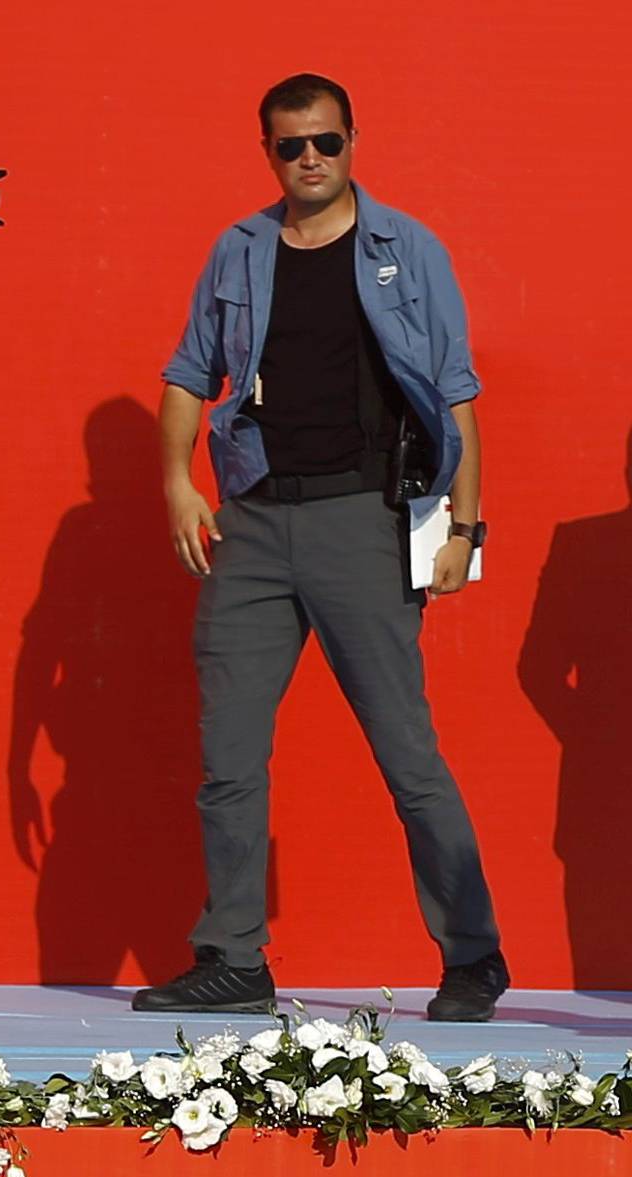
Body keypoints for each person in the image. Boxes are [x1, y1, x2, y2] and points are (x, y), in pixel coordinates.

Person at [139, 73, 509, 1022]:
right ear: (267, 152)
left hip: (362, 520)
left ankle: (473, 955)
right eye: (290, 146)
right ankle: (232, 954)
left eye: (325, 143)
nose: (309, 159)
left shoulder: (405, 249)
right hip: (255, 519)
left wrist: (465, 529)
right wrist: (180, 480)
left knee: (405, 750)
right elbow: (190, 372)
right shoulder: (240, 250)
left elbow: (456, 391)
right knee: (228, 752)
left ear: (352, 142)